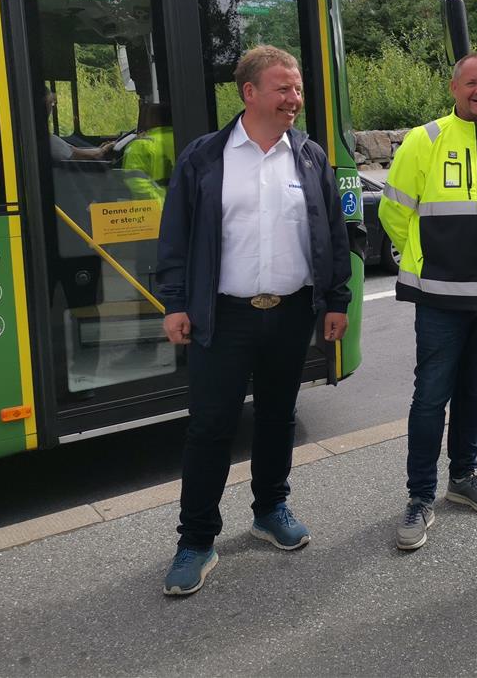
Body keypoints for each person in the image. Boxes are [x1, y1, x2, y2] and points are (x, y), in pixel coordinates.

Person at [156, 45, 351, 596]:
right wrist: (175, 302)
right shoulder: (206, 157)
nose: (294, 98)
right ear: (249, 92)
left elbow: (333, 236)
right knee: (210, 427)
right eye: (283, 88)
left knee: (277, 418)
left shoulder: (309, 157)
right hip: (224, 317)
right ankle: (196, 540)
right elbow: (175, 236)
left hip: (290, 314)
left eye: (297, 89)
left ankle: (270, 509)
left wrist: (336, 301)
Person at [379, 52, 477, 552]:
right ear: (454, 89)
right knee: (431, 396)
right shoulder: (425, 140)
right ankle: (420, 496)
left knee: (474, 390)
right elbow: (394, 212)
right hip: (440, 297)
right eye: (470, 83)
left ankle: (463, 477)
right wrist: (427, 259)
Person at [122, 102, 176, 203]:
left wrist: (160, 202)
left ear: (152, 119)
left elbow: (135, 181)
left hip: (155, 207)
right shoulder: (187, 139)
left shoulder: (141, 144)